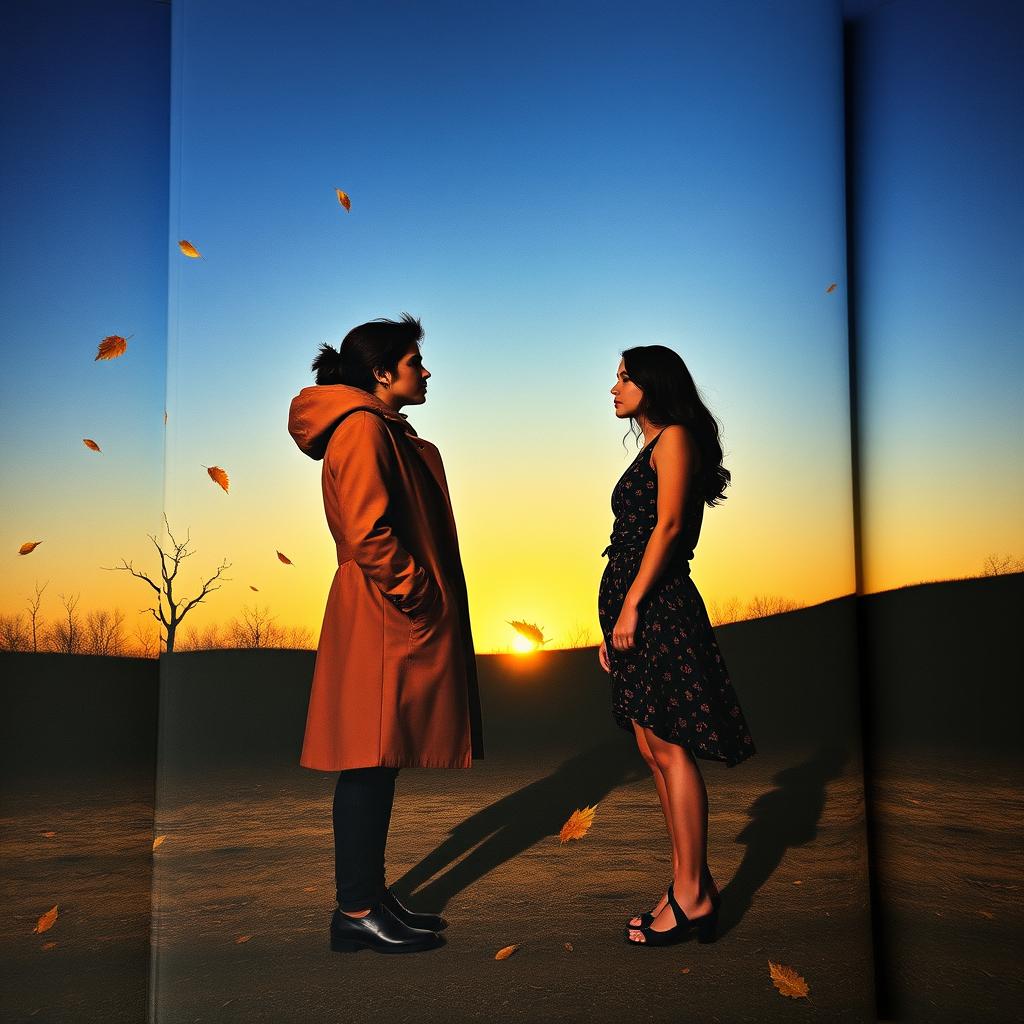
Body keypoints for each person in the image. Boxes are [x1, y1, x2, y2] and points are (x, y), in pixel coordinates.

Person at [287, 313, 484, 954]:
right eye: (413, 362)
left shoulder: (376, 428)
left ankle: (369, 895)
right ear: (381, 373)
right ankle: (356, 909)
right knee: (368, 760)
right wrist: (418, 593)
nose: (425, 371)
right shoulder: (364, 428)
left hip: (384, 606)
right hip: (382, 607)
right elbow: (369, 532)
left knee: (380, 755)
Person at [597, 345, 756, 947]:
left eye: (624, 378)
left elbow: (666, 529)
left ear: (654, 384)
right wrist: (611, 615)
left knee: (670, 746)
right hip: (634, 603)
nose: (613, 388)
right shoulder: (652, 443)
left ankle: (692, 895)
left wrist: (633, 605)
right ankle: (688, 882)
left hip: (659, 605)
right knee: (650, 746)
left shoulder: (675, 439)